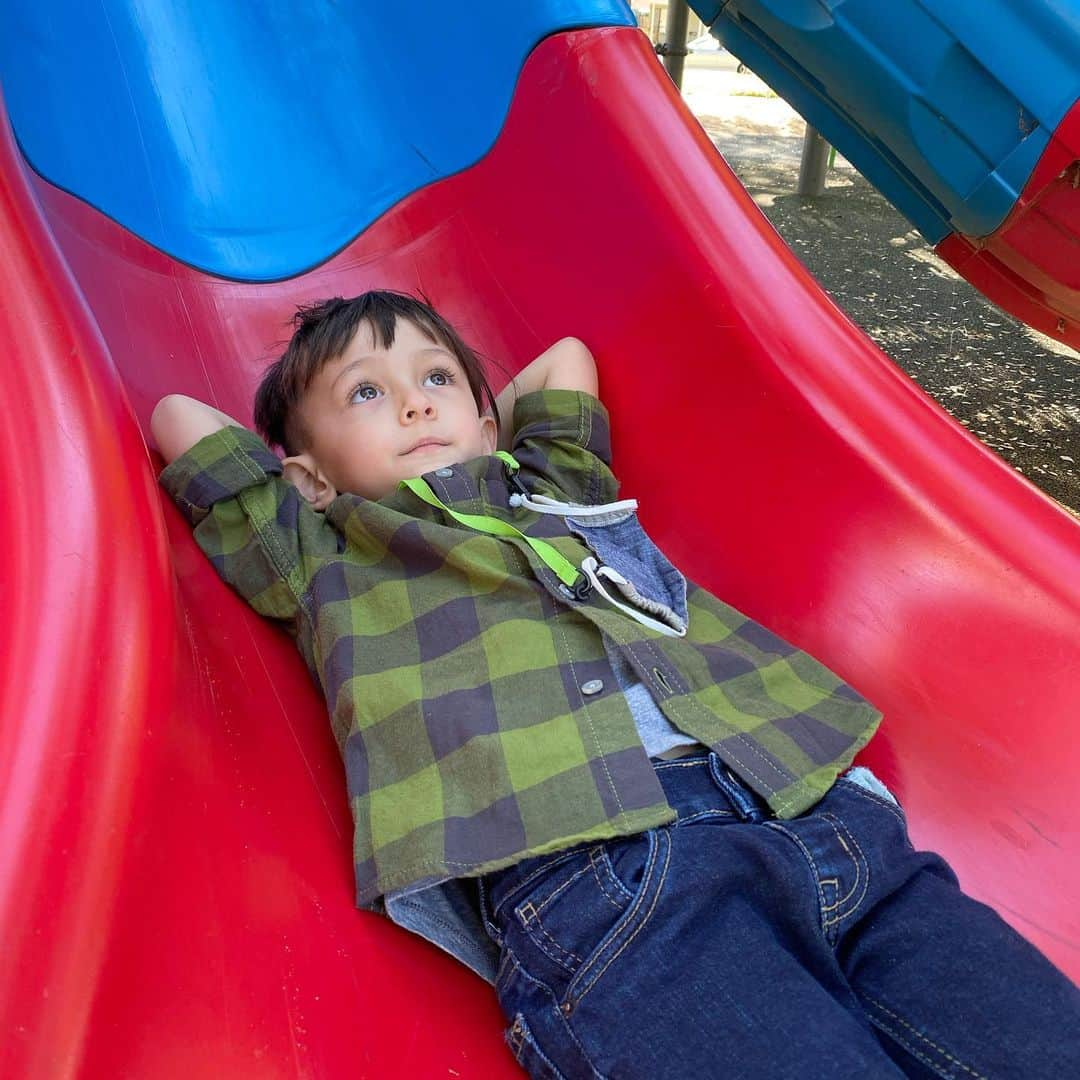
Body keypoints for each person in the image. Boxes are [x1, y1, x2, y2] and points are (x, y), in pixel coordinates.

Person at [152, 290, 1080, 1079]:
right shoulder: (321, 556)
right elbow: (179, 424)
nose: (412, 407)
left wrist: (478, 433)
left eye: (436, 380)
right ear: (307, 477)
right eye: (366, 393)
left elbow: (564, 365)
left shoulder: (556, 490)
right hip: (607, 879)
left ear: (488, 421)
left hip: (814, 810)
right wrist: (328, 474)